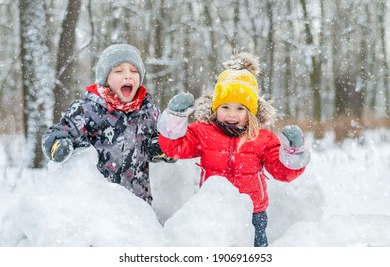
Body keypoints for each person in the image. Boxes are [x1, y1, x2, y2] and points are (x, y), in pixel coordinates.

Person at [157, 52, 311, 246]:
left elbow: (284, 172)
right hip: (214, 210)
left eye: (240, 109)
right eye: (225, 107)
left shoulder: (262, 138)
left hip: (253, 214)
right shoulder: (203, 132)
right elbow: (174, 147)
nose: (232, 114)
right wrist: (175, 118)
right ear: (215, 108)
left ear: (252, 112)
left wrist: (293, 152)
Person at [42, 44, 173, 205]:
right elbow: (56, 132)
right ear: (105, 79)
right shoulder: (86, 110)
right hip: (99, 206)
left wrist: (163, 148)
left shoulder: (149, 112)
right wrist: (58, 144)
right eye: (118, 71)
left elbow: (156, 146)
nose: (128, 76)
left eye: (134, 71)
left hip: (138, 205)